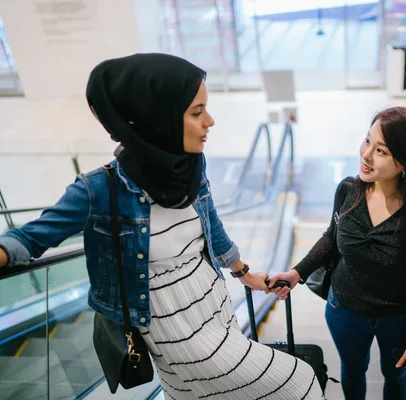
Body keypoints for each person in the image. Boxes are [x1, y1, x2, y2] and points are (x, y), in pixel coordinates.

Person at [0, 53, 322, 400]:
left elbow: (211, 225)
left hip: (212, 303)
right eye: (196, 112)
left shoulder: (190, 166)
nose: (210, 122)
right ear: (157, 118)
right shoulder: (99, 189)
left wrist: (244, 273)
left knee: (191, 395)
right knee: (298, 380)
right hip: (172, 327)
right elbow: (30, 237)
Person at [269, 107, 406, 400]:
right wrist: (297, 273)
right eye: (367, 141)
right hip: (344, 309)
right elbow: (330, 239)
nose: (366, 155)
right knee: (352, 372)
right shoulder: (348, 191)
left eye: (380, 150)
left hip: (398, 317)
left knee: (396, 375)